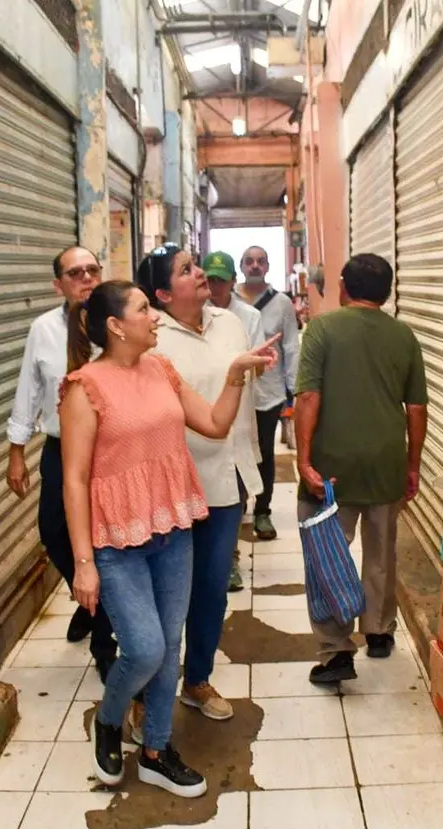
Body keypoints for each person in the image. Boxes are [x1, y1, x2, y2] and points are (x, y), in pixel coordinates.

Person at [61, 280, 277, 796]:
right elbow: (74, 479)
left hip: (172, 529)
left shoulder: (161, 369)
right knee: (144, 648)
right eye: (143, 309)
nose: (155, 316)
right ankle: (112, 720)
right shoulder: (83, 387)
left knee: (170, 647)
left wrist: (235, 376)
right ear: (115, 326)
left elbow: (215, 423)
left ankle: (158, 749)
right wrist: (83, 562)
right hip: (116, 541)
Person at [142, 246, 275, 724]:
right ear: (161, 293)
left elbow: (241, 390)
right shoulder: (151, 339)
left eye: (194, 265)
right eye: (185, 271)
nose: (199, 274)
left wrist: (259, 367)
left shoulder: (230, 323)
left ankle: (196, 679)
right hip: (172, 487)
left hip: (227, 477)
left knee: (212, 589)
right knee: (165, 594)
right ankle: (144, 693)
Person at [293, 254, 428, 685]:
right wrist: (412, 465)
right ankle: (379, 631)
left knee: (327, 554)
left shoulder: (322, 329)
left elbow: (308, 398)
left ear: (343, 287)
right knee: (381, 550)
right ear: (386, 292)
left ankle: (336, 651)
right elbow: (416, 408)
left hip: (332, 464)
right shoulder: (403, 335)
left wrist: (303, 459)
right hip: (386, 458)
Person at [5, 246, 118, 682]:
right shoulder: (44, 329)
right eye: (75, 273)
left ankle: (105, 642)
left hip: (110, 450)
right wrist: (16, 450)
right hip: (60, 447)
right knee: (53, 532)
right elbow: (29, 389)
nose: (86, 278)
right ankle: (90, 600)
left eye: (92, 270)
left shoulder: (114, 322)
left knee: (106, 545)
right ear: (59, 284)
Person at [203, 251, 266, 592]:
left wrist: (257, 364)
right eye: (209, 280)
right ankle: (212, 558)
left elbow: (258, 361)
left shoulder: (247, 316)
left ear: (232, 280)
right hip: (202, 415)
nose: (215, 287)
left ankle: (231, 558)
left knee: (237, 492)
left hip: (239, 414)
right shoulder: (193, 316)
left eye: (221, 280)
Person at [235, 245, 300, 541]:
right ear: (241, 266)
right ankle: (237, 506)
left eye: (260, 261)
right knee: (234, 451)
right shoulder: (226, 300)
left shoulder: (282, 303)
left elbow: (290, 347)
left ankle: (263, 509)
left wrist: (294, 389)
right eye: (249, 261)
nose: (255, 266)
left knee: (264, 452)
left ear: (268, 266)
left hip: (268, 391)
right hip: (234, 391)